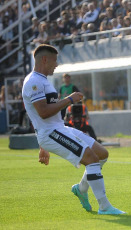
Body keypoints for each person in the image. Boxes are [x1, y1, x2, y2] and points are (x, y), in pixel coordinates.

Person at [22, 44, 125, 215]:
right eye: (55, 61)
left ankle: (81, 189)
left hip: (58, 128)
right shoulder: (33, 82)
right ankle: (104, 206)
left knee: (101, 154)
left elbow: (43, 112)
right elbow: (43, 112)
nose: (56, 65)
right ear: (45, 59)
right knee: (91, 159)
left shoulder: (42, 80)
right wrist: (69, 99)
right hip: (50, 133)